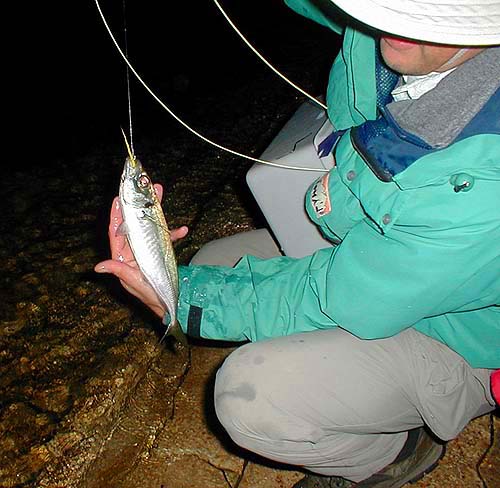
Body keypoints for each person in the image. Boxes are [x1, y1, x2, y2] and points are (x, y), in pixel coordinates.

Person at [96, 0, 500, 486]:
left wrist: (183, 300)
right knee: (213, 261)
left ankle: (392, 452)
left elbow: (341, 296)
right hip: (381, 249)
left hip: (462, 332)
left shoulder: (478, 179)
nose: (393, 23)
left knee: (250, 396)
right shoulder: (400, 38)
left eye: (426, 12)